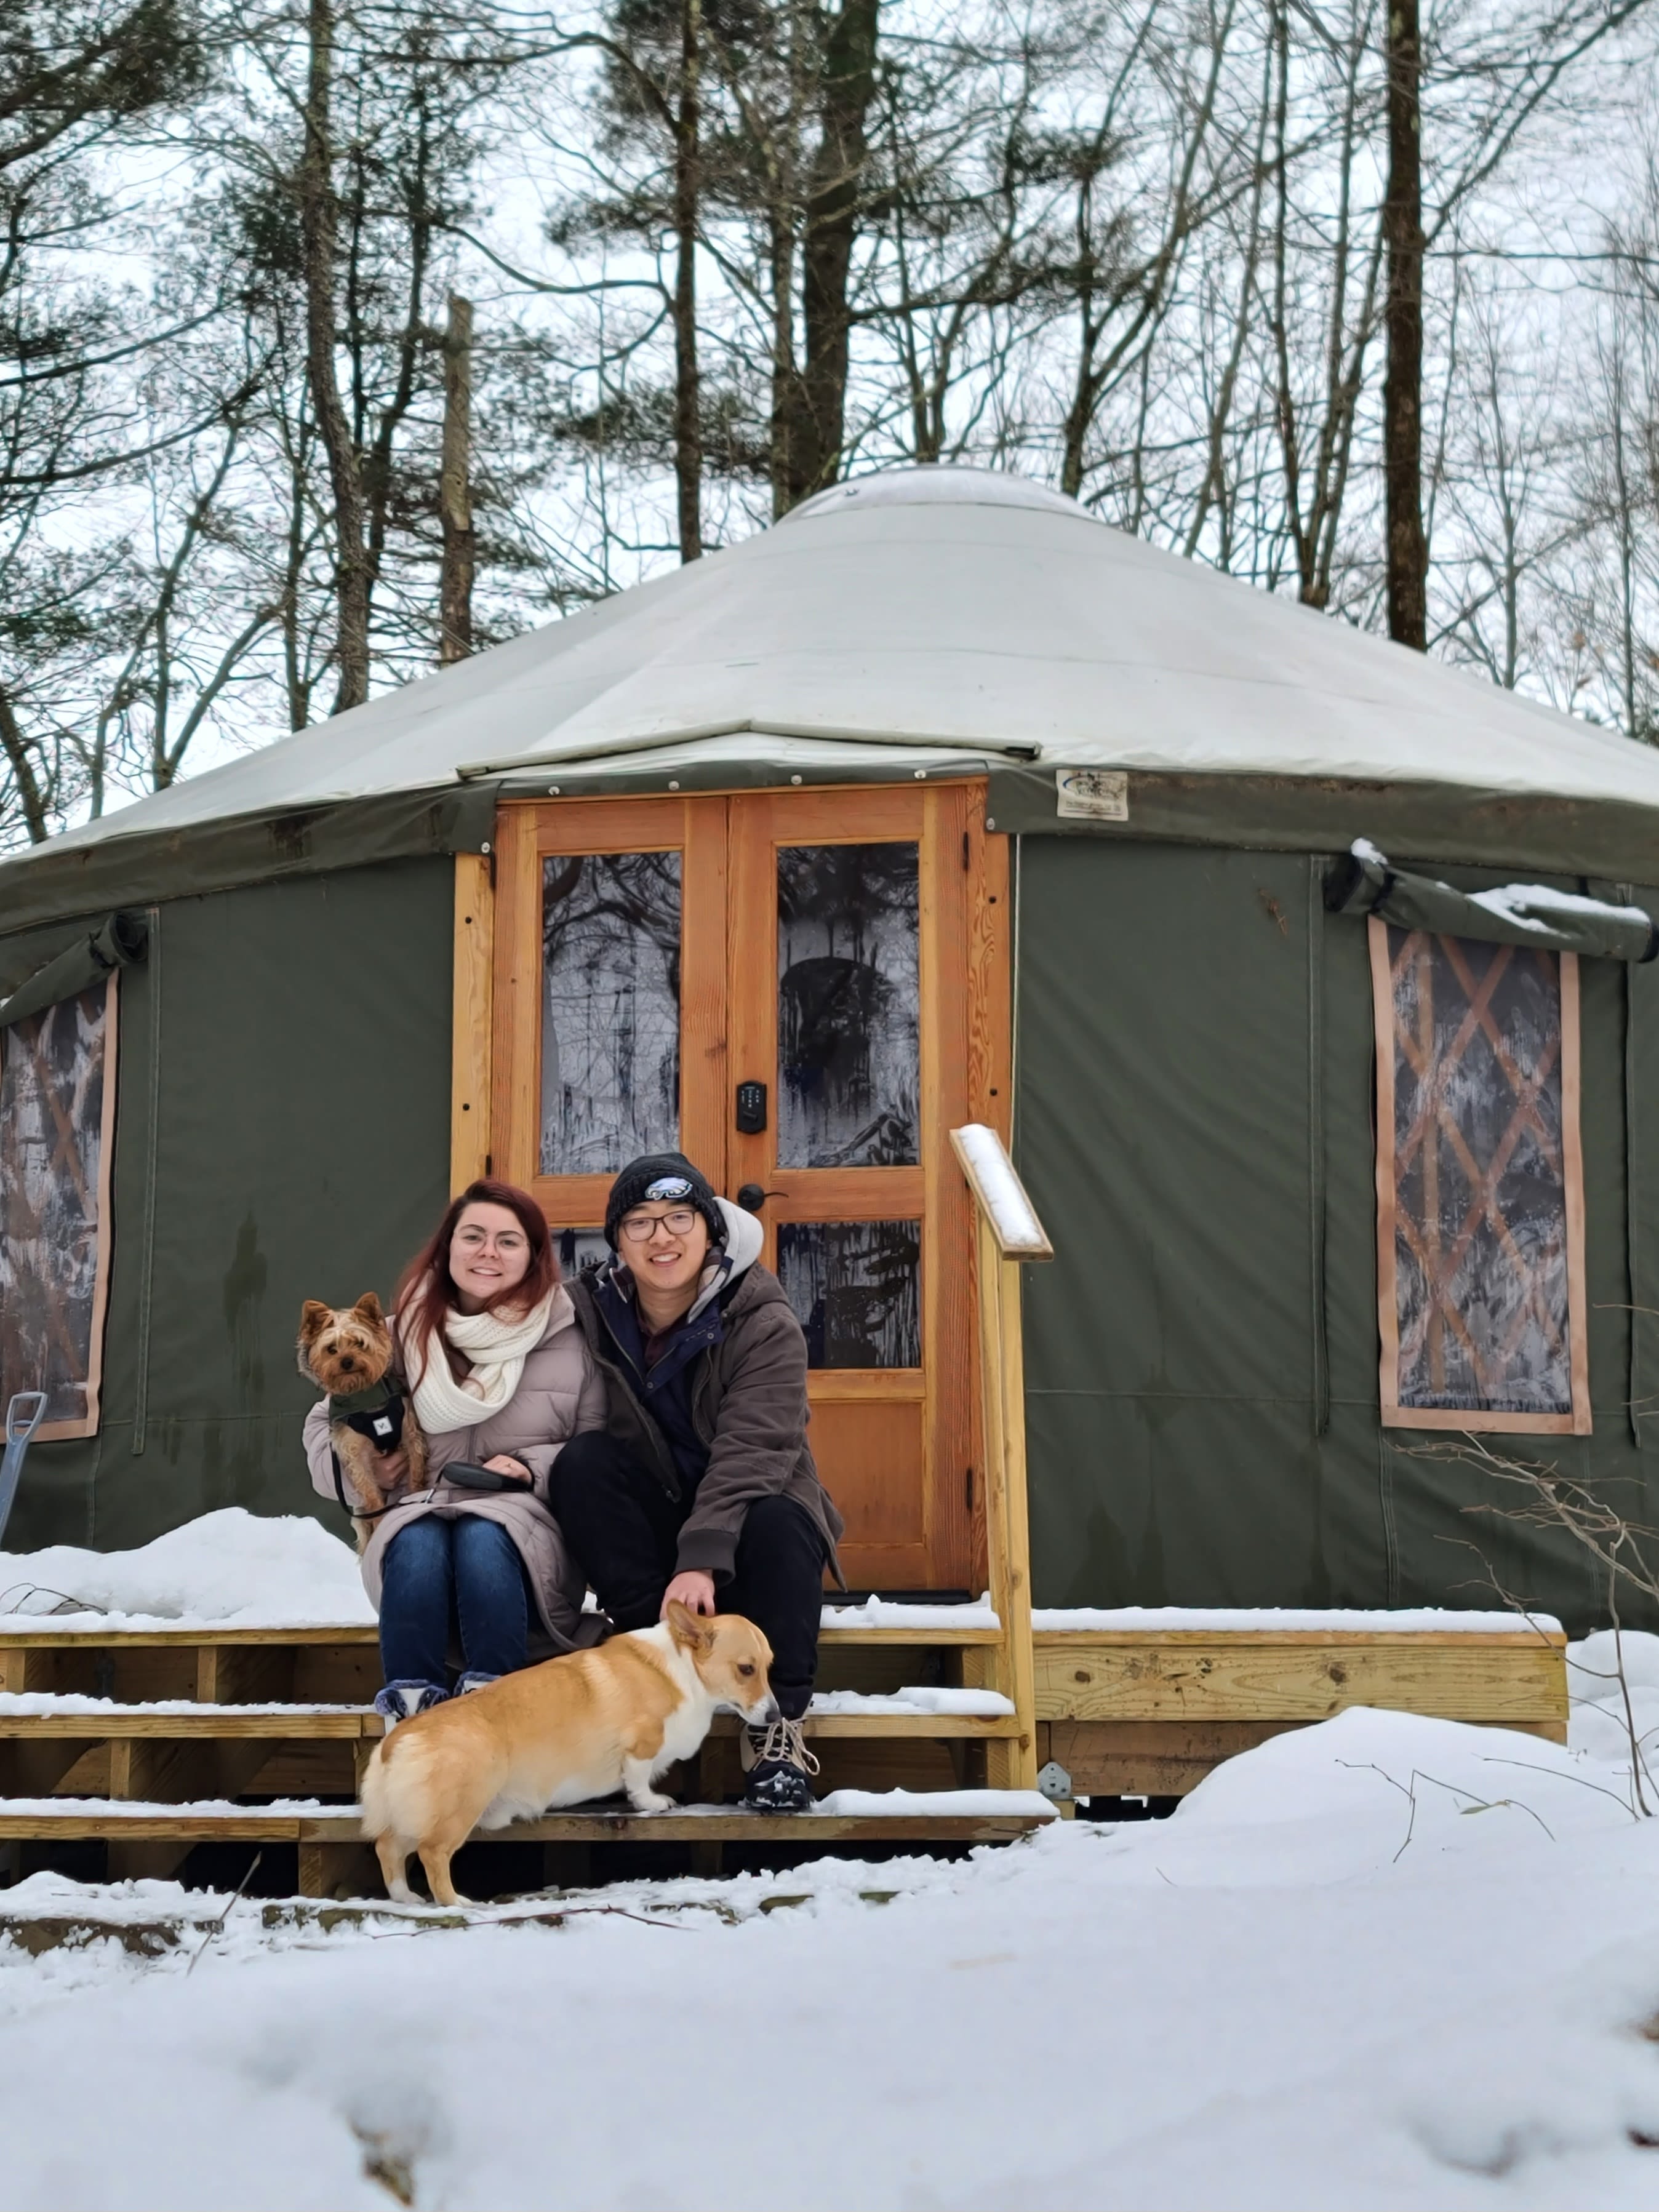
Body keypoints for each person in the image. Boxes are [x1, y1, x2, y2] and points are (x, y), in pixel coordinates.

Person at [551, 1152, 844, 1813]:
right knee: (583, 1465)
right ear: (617, 1241)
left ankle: (777, 1733)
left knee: (783, 1518)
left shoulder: (761, 1317)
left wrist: (703, 1560)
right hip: (658, 1532)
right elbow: (493, 1337)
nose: (662, 1237)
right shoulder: (587, 1311)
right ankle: (651, 1674)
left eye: (680, 1217)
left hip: (745, 1525)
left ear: (710, 1230)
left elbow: (755, 1446)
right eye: (640, 1222)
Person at [304, 1178, 606, 1722]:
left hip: (525, 1517)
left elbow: (597, 1447)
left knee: (482, 1537)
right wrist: (366, 1468)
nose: (488, 1251)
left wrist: (529, 1467)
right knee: (417, 1540)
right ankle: (413, 1715)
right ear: (447, 1250)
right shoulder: (396, 1336)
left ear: (535, 1256)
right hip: (420, 1503)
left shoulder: (570, 1340)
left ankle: (496, 1717)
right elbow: (327, 1420)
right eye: (473, 1236)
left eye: (508, 1240)